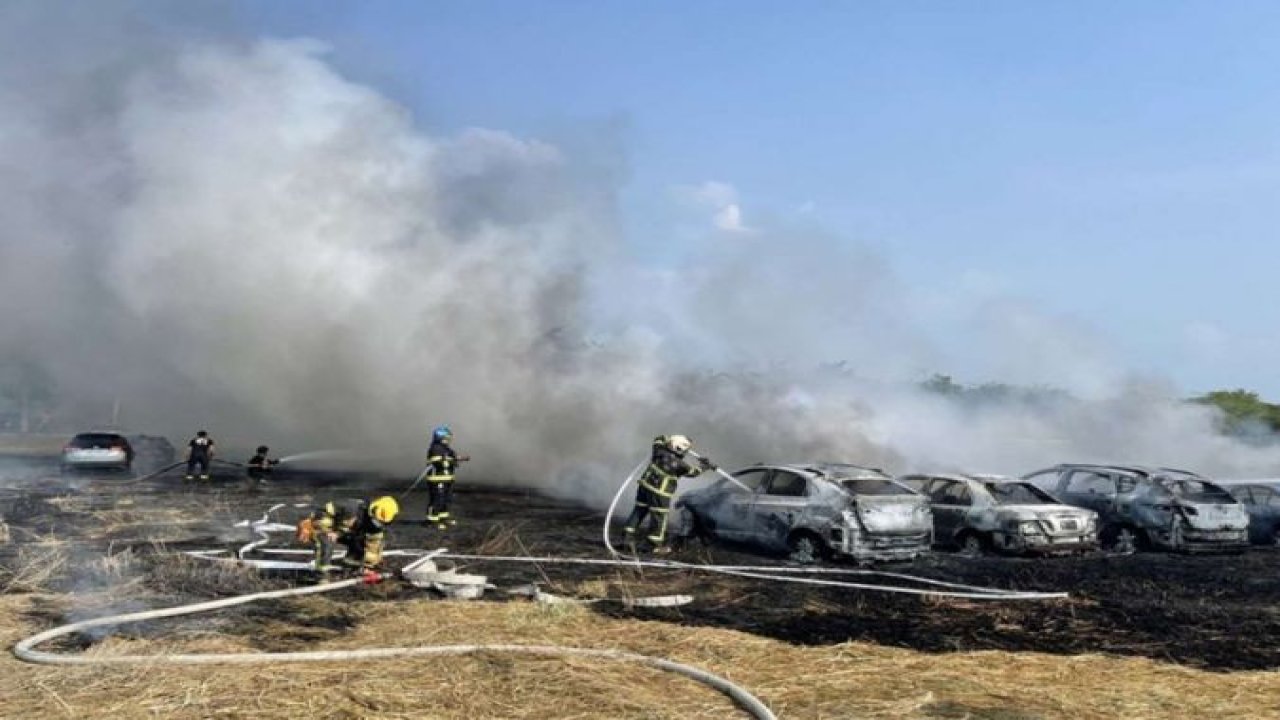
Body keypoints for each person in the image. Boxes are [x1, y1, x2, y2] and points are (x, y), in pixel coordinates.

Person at [623, 434, 715, 554]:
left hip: (644, 488)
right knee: (659, 518)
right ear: (679, 449)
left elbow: (659, 438)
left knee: (639, 511)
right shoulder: (680, 465)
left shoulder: (658, 451)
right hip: (659, 494)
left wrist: (670, 440)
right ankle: (653, 546)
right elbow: (693, 472)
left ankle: (627, 537)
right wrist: (705, 466)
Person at [309, 496, 399, 573]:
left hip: (346, 533)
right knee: (326, 542)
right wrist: (328, 530)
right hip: (327, 528)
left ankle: (351, 562)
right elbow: (322, 512)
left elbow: (373, 548)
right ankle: (321, 573)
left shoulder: (376, 529)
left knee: (363, 543)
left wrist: (368, 566)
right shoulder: (351, 507)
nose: (376, 524)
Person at [424, 425, 470, 529]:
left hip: (447, 479)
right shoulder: (435, 448)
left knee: (446, 499)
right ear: (441, 438)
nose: (448, 440)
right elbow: (436, 460)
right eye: (447, 438)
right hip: (436, 479)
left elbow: (452, 458)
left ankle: (443, 517)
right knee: (437, 499)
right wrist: (449, 459)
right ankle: (432, 521)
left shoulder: (447, 449)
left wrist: (460, 459)